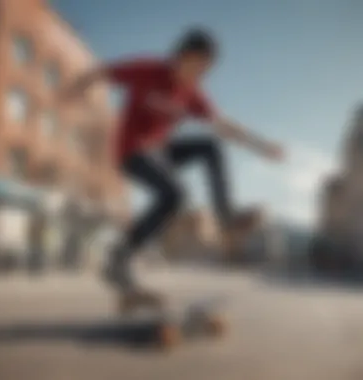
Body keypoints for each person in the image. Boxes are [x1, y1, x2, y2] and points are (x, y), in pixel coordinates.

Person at [61, 28, 285, 309]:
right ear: (185, 56)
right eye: (200, 66)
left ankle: (225, 218)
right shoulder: (148, 70)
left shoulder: (193, 94)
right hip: (132, 152)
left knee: (210, 148)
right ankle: (120, 257)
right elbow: (103, 72)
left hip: (160, 153)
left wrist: (262, 146)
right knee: (176, 195)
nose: (202, 75)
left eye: (207, 70)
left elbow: (224, 125)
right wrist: (71, 91)